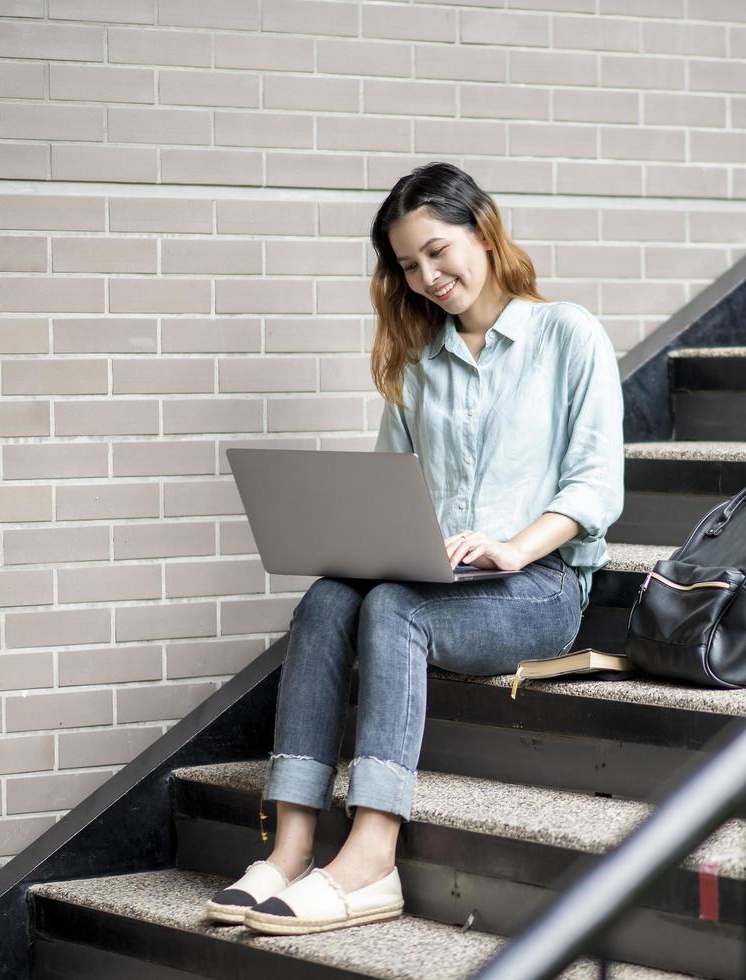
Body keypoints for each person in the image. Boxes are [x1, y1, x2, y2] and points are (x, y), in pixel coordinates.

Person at [204, 161, 625, 936]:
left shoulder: (567, 334)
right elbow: (389, 492)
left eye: (438, 251)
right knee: (330, 597)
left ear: (484, 231)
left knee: (395, 609)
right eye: (408, 265)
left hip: (540, 587)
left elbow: (596, 486)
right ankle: (290, 846)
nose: (428, 276)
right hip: (444, 577)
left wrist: (513, 546)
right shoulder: (418, 364)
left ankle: (371, 856)